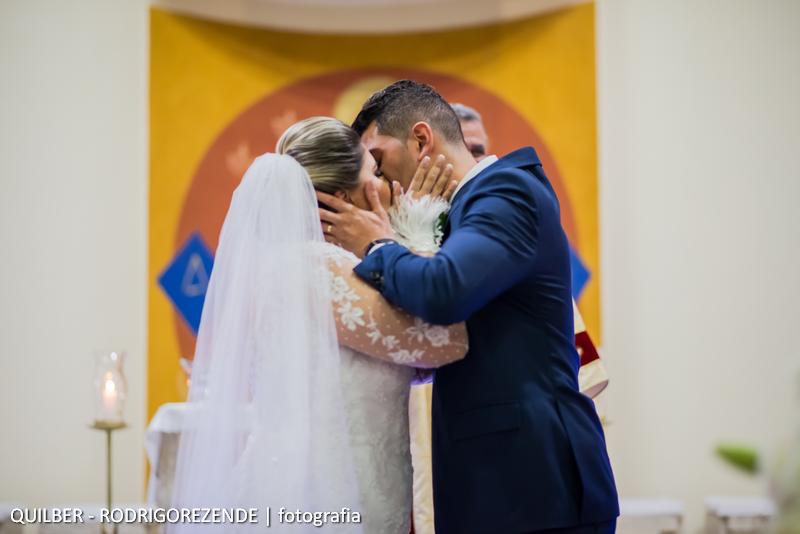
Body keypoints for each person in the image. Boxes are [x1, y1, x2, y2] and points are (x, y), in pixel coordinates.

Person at [319, 80, 619, 533]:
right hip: (504, 486)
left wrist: (377, 244)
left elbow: (445, 289)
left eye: (379, 161)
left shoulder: (506, 193)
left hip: (534, 488)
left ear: (421, 140)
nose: (378, 183)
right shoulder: (466, 209)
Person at [169, 117, 468, 534]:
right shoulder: (318, 268)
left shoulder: (292, 265)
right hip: (331, 492)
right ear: (344, 196)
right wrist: (412, 239)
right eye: (374, 173)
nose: (385, 186)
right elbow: (445, 342)